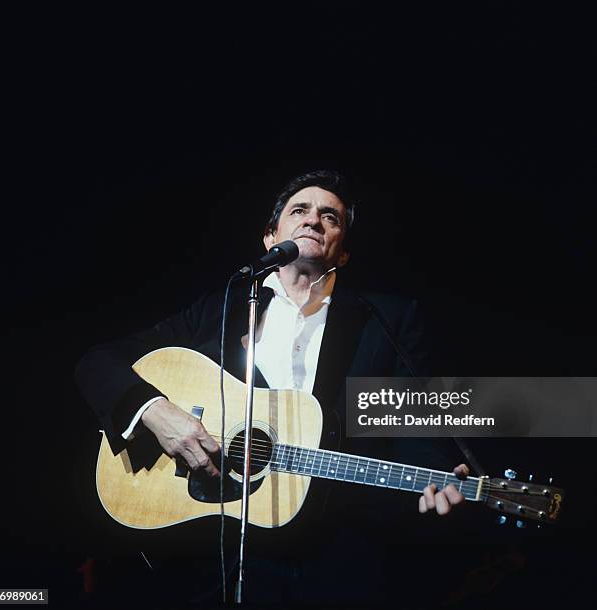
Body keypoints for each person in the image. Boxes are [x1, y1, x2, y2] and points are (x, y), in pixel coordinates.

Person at [75, 169, 469, 606]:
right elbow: (97, 363)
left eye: (330, 217)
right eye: (299, 210)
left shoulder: (387, 319)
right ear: (270, 237)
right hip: (216, 550)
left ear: (343, 254)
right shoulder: (222, 307)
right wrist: (154, 411)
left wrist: (433, 478)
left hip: (334, 552)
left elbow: (417, 422)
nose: (313, 220)